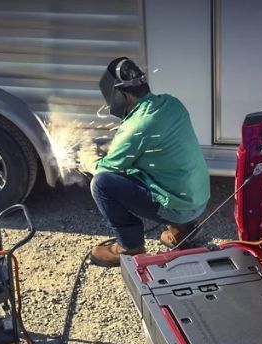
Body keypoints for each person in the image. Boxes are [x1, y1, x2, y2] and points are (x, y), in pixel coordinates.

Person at [89, 57, 210, 267]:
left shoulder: (136, 127)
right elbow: (148, 142)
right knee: (151, 167)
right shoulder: (171, 103)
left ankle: (130, 248)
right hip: (199, 199)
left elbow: (106, 168)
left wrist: (87, 160)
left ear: (122, 95)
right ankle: (184, 230)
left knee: (101, 184)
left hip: (180, 208)